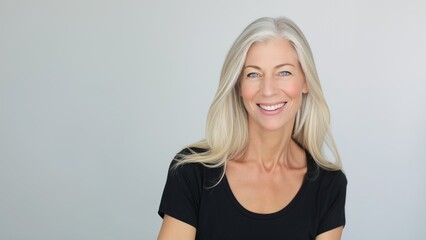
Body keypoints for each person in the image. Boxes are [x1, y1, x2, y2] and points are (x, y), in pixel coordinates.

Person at [157, 16, 347, 240]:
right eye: (253, 74)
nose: (268, 90)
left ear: (305, 82)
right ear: (239, 85)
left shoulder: (329, 186)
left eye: (284, 72)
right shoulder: (192, 172)